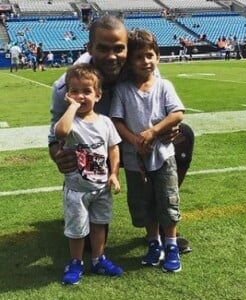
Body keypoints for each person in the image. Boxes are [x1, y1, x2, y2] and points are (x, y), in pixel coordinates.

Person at [48, 15, 194, 253]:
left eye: (119, 49)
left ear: (127, 47)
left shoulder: (142, 67)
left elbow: (161, 109)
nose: (112, 56)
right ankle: (82, 211)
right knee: (88, 241)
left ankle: (162, 217)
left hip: (138, 144)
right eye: (103, 49)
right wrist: (56, 151)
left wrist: (167, 129)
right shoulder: (67, 85)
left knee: (183, 136)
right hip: (95, 151)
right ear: (90, 48)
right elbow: (55, 127)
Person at [110, 29, 184, 272]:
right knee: (144, 202)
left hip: (164, 157)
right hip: (134, 161)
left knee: (168, 199)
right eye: (139, 57)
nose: (146, 61)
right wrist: (133, 140)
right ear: (129, 63)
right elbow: (117, 121)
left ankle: (171, 244)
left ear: (158, 57)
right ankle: (153, 242)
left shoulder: (164, 86)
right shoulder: (123, 90)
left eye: (150, 55)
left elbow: (177, 113)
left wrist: (153, 132)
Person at [54, 63, 123, 285]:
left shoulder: (105, 122)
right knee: (76, 229)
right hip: (77, 189)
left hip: (101, 188)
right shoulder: (70, 121)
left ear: (98, 95)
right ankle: (75, 262)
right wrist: (72, 107)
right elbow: (61, 132)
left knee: (99, 224)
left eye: (86, 91)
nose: (80, 96)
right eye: (74, 91)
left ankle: (98, 258)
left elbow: (113, 148)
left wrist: (114, 174)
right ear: (67, 95)